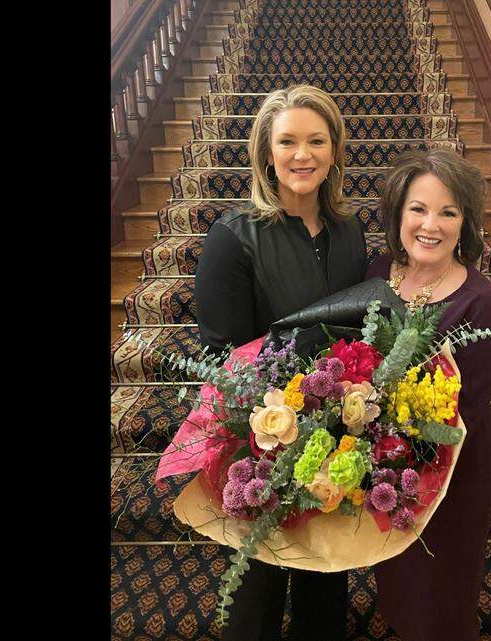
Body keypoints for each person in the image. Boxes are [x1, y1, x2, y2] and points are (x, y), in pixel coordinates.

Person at [193, 84, 364, 641]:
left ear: (335, 151)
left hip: (334, 434)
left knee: (325, 578)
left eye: (316, 140)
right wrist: (271, 425)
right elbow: (219, 355)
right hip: (262, 438)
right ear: (266, 152)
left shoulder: (349, 231)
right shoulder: (232, 236)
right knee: (258, 588)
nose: (302, 154)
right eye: (287, 141)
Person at [366, 149, 491, 641]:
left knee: (442, 579)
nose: (431, 224)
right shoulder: (377, 269)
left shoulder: (480, 301)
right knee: (398, 569)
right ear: (398, 214)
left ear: (464, 223)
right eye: (418, 209)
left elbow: (461, 409)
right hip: (382, 456)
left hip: (451, 458)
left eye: (448, 212)